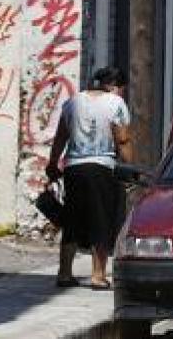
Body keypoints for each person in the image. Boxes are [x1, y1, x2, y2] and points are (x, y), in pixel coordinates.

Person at [46, 66, 132, 289]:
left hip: (73, 169)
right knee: (101, 220)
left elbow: (60, 138)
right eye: (122, 89)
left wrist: (52, 164)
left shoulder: (73, 102)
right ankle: (98, 275)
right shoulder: (116, 103)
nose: (122, 93)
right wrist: (129, 167)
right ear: (114, 86)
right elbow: (122, 140)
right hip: (101, 168)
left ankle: (64, 273)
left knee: (71, 221)